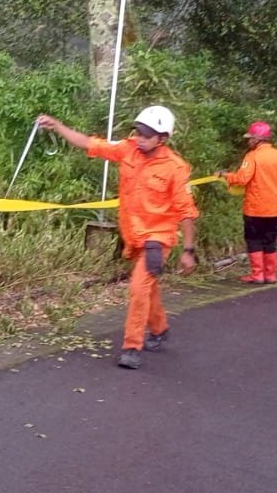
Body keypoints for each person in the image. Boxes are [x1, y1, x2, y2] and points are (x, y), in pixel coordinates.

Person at [37, 106, 198, 370]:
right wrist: (57, 126)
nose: (141, 137)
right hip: (132, 234)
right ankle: (159, 329)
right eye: (138, 132)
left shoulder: (175, 168)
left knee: (137, 288)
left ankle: (131, 347)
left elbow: (187, 212)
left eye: (147, 134)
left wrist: (189, 250)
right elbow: (91, 144)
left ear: (163, 138)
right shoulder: (128, 149)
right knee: (147, 287)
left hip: (158, 238)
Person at [218, 120, 277, 284]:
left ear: (257, 139)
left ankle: (257, 275)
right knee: (270, 240)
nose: (248, 141)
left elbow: (242, 178)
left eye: (250, 138)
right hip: (276, 208)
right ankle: (270, 275)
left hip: (255, 208)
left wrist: (226, 176)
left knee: (254, 240)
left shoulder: (253, 156)